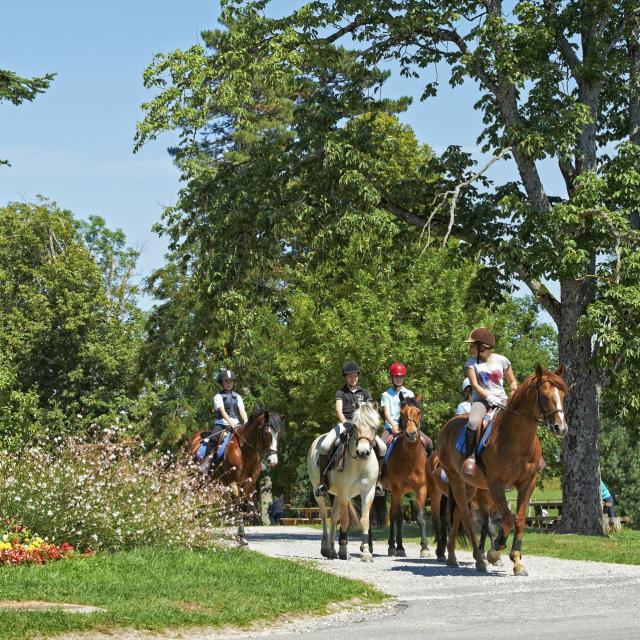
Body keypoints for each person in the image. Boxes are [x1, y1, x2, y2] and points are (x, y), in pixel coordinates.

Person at [314, 361, 385, 497]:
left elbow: (369, 410)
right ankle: (323, 483)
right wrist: (345, 423)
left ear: (358, 377)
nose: (353, 379)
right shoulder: (341, 392)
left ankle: (377, 482)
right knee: (325, 445)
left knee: (382, 448)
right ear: (345, 377)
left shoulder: (364, 392)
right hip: (345, 423)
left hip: (363, 426)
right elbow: (338, 410)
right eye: (350, 376)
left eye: (355, 376)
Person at [461, 328, 518, 476]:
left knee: (521, 419)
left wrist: (513, 393)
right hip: (481, 400)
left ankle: (535, 456)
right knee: (473, 422)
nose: (470, 348)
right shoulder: (471, 363)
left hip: (502, 399)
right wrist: (488, 397)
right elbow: (474, 385)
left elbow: (512, 381)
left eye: (472, 345)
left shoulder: (502, 360)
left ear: (483, 346)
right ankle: (470, 457)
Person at [211, 367, 248, 446]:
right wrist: (230, 422)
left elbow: (242, 410)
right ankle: (207, 457)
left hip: (236, 424)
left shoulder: (238, 396)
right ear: (222, 383)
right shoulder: (218, 396)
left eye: (230, 381)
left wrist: (246, 421)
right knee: (213, 438)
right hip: (222, 424)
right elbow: (222, 411)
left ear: (233, 383)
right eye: (226, 381)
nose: (228, 384)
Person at [380, 362, 415, 445]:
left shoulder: (410, 393)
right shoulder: (386, 395)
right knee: (380, 446)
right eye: (396, 376)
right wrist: (394, 425)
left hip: (408, 425)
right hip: (391, 427)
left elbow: (413, 412)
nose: (399, 379)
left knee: (429, 442)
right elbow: (386, 413)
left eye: (401, 377)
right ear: (392, 377)